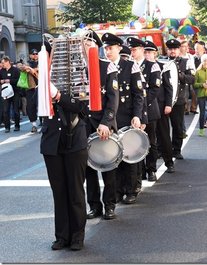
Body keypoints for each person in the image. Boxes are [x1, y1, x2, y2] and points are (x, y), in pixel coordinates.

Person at [40, 43, 88, 251]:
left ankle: (77, 236)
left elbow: (83, 107)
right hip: (52, 143)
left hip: (74, 140)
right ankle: (62, 236)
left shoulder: (79, 77)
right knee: (58, 192)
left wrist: (59, 96)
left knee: (75, 191)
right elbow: (35, 109)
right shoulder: (43, 80)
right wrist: (40, 89)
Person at [101, 33, 144, 204]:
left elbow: (139, 94)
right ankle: (117, 191)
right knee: (113, 158)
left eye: (110, 48)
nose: (107, 52)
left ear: (119, 48)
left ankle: (131, 189)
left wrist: (137, 116)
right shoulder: (103, 67)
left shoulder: (130, 66)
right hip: (111, 120)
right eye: (105, 48)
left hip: (126, 117)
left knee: (128, 156)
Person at [83, 30, 120, 220]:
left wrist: (106, 122)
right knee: (88, 169)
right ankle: (94, 206)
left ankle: (110, 204)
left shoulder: (108, 67)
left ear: (95, 47)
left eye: (89, 44)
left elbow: (113, 99)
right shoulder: (78, 69)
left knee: (108, 167)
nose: (85, 47)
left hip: (103, 123)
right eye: (83, 44)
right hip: (84, 125)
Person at [127, 37, 161, 182]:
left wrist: (141, 105)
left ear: (142, 50)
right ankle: (139, 173)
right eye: (131, 50)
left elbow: (154, 90)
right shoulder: (128, 66)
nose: (132, 53)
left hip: (149, 109)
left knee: (150, 141)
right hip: (135, 111)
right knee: (136, 143)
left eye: (134, 50)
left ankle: (151, 169)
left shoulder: (152, 66)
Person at [144, 40, 175, 174]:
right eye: (145, 52)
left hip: (161, 105)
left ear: (155, 54)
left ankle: (169, 162)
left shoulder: (162, 66)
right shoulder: (140, 66)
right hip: (147, 108)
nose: (147, 55)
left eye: (150, 52)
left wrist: (168, 104)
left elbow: (168, 87)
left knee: (163, 135)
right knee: (149, 138)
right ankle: (150, 166)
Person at [166, 39, 195, 159]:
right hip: (164, 100)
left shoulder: (185, 62)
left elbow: (192, 79)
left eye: (175, 49)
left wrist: (180, 75)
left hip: (178, 99)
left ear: (179, 50)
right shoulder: (162, 62)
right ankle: (163, 149)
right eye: (170, 49)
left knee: (177, 126)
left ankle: (176, 150)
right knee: (162, 128)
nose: (172, 51)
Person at [0, 56, 20, 133]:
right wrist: (1, 81)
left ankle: (17, 126)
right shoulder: (2, 71)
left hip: (15, 92)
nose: (2, 64)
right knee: (5, 110)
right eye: (2, 63)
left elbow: (18, 80)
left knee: (16, 110)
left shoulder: (15, 70)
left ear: (8, 62)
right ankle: (7, 127)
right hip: (5, 93)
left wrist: (10, 81)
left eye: (3, 63)